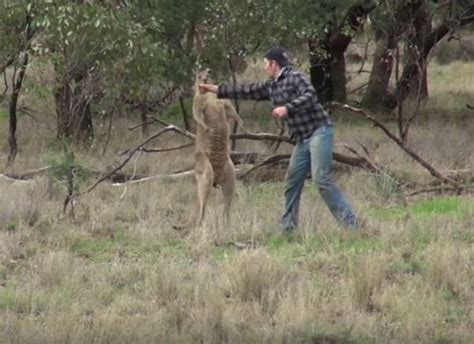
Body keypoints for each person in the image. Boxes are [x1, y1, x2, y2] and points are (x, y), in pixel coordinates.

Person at [199, 46, 360, 232]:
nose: (264, 67)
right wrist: (215, 89)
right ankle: (288, 228)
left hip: (319, 132)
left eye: (266, 64)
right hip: (303, 139)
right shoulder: (272, 85)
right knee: (292, 181)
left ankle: (352, 225)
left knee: (321, 178)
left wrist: (287, 108)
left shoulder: (294, 77)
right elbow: (247, 90)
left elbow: (310, 96)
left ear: (274, 64)